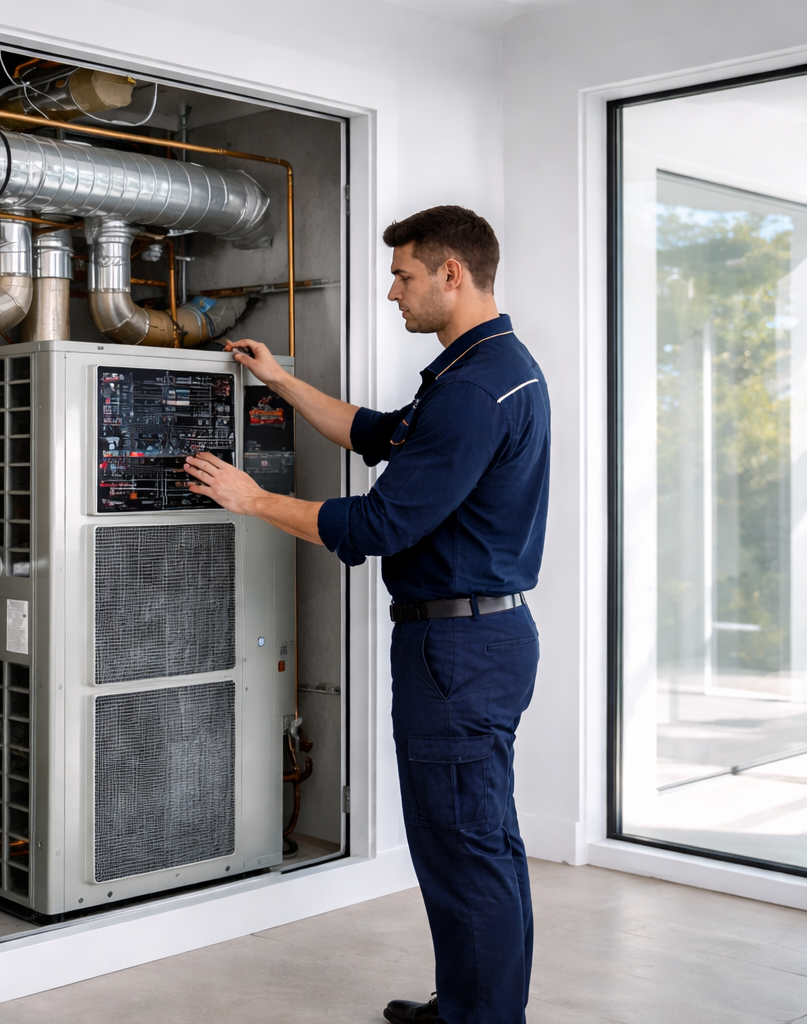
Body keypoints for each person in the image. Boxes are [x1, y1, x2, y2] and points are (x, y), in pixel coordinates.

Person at [184, 205, 549, 1024]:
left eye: (404, 275)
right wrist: (278, 380)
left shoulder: (476, 389)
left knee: (464, 847)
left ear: (452, 274)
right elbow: (376, 433)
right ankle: (469, 1006)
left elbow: (382, 525)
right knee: (479, 841)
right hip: (479, 638)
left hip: (455, 649)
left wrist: (254, 499)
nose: (393, 292)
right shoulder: (484, 368)